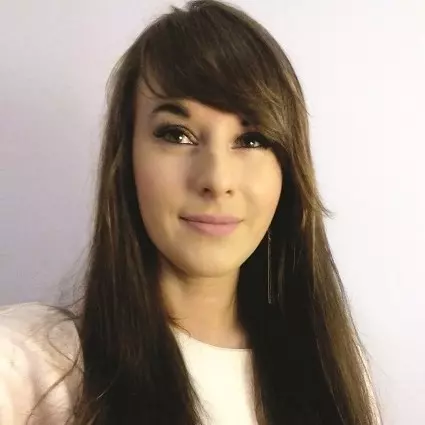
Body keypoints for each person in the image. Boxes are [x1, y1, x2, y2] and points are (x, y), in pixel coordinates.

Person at [0, 0, 382, 424]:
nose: (216, 179)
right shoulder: (27, 367)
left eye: (252, 139)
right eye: (176, 134)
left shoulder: (335, 375)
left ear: (289, 171)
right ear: (126, 158)